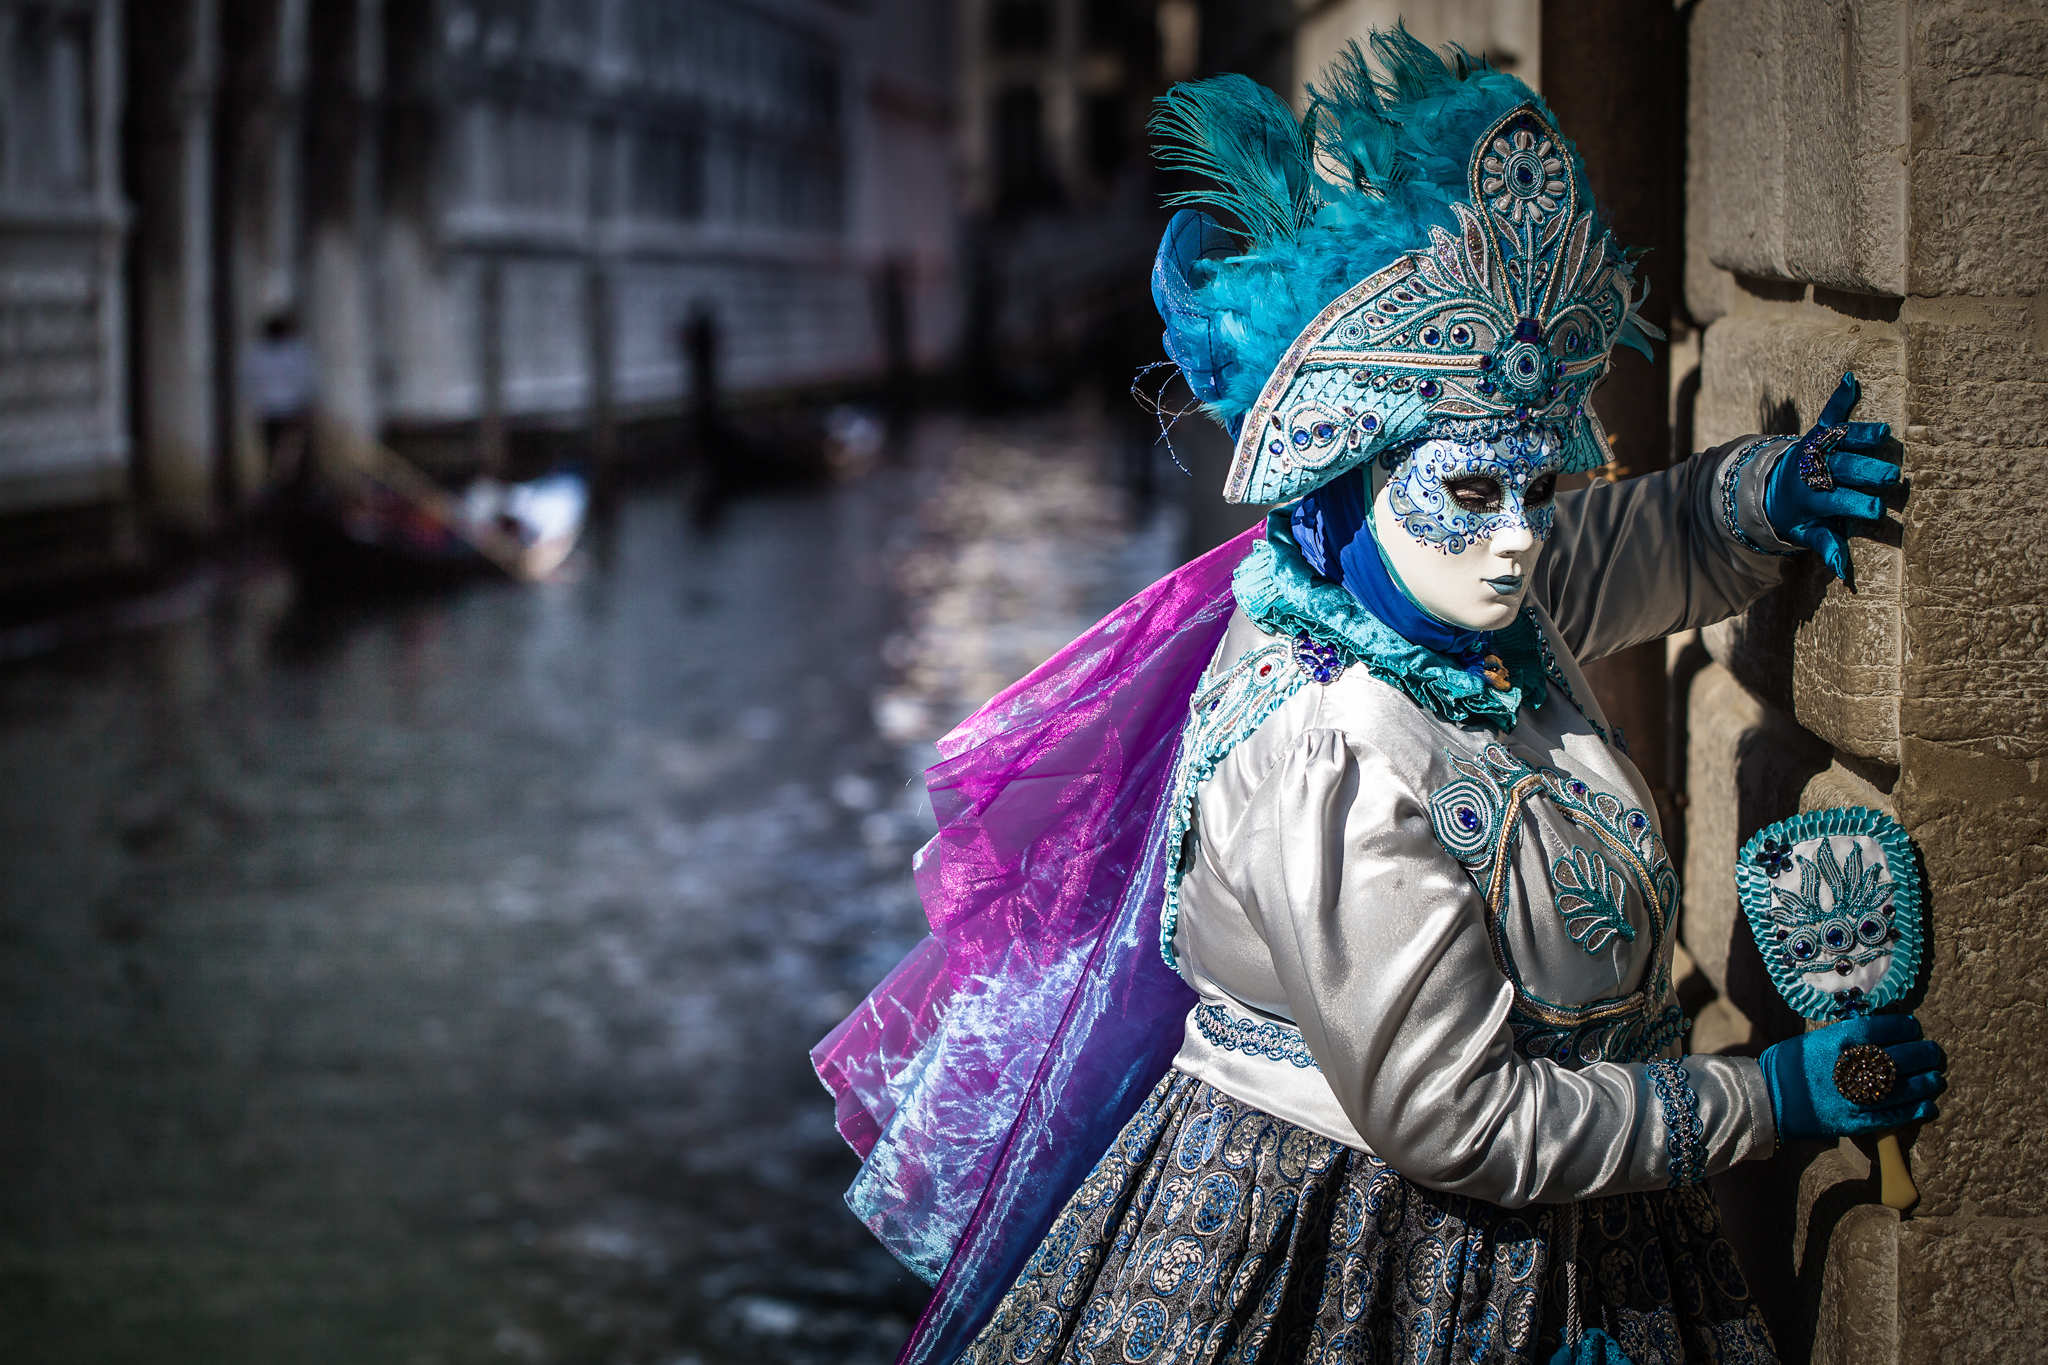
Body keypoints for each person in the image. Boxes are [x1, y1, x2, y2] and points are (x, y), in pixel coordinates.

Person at [816, 33, 1945, 1365]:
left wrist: (1763, 494)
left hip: (1592, 1218)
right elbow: (1457, 1121)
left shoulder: (1459, 601)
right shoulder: (1333, 752)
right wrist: (1769, 1095)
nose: (1518, 537)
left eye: (1535, 484)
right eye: (1473, 492)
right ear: (1343, 484)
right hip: (1390, 1259)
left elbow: (1620, 549)